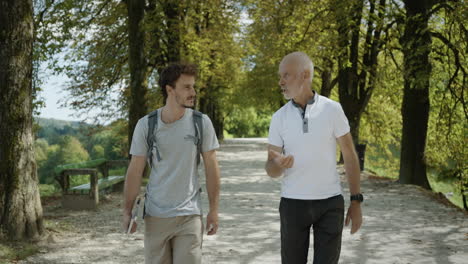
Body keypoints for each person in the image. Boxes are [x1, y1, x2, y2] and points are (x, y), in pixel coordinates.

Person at [265, 52, 363, 264]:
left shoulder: (332, 109)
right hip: (293, 204)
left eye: (286, 75)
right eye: (280, 76)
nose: (281, 81)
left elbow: (349, 155)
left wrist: (356, 200)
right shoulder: (279, 117)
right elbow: (270, 169)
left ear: (305, 75)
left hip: (330, 204)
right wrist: (277, 164)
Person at [123, 62, 221, 264]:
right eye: (186, 87)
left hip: (190, 215)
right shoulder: (146, 125)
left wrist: (214, 210)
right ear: (170, 90)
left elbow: (212, 168)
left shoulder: (201, 122)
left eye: (193, 86)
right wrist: (127, 212)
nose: (193, 92)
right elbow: (135, 170)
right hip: (155, 216)